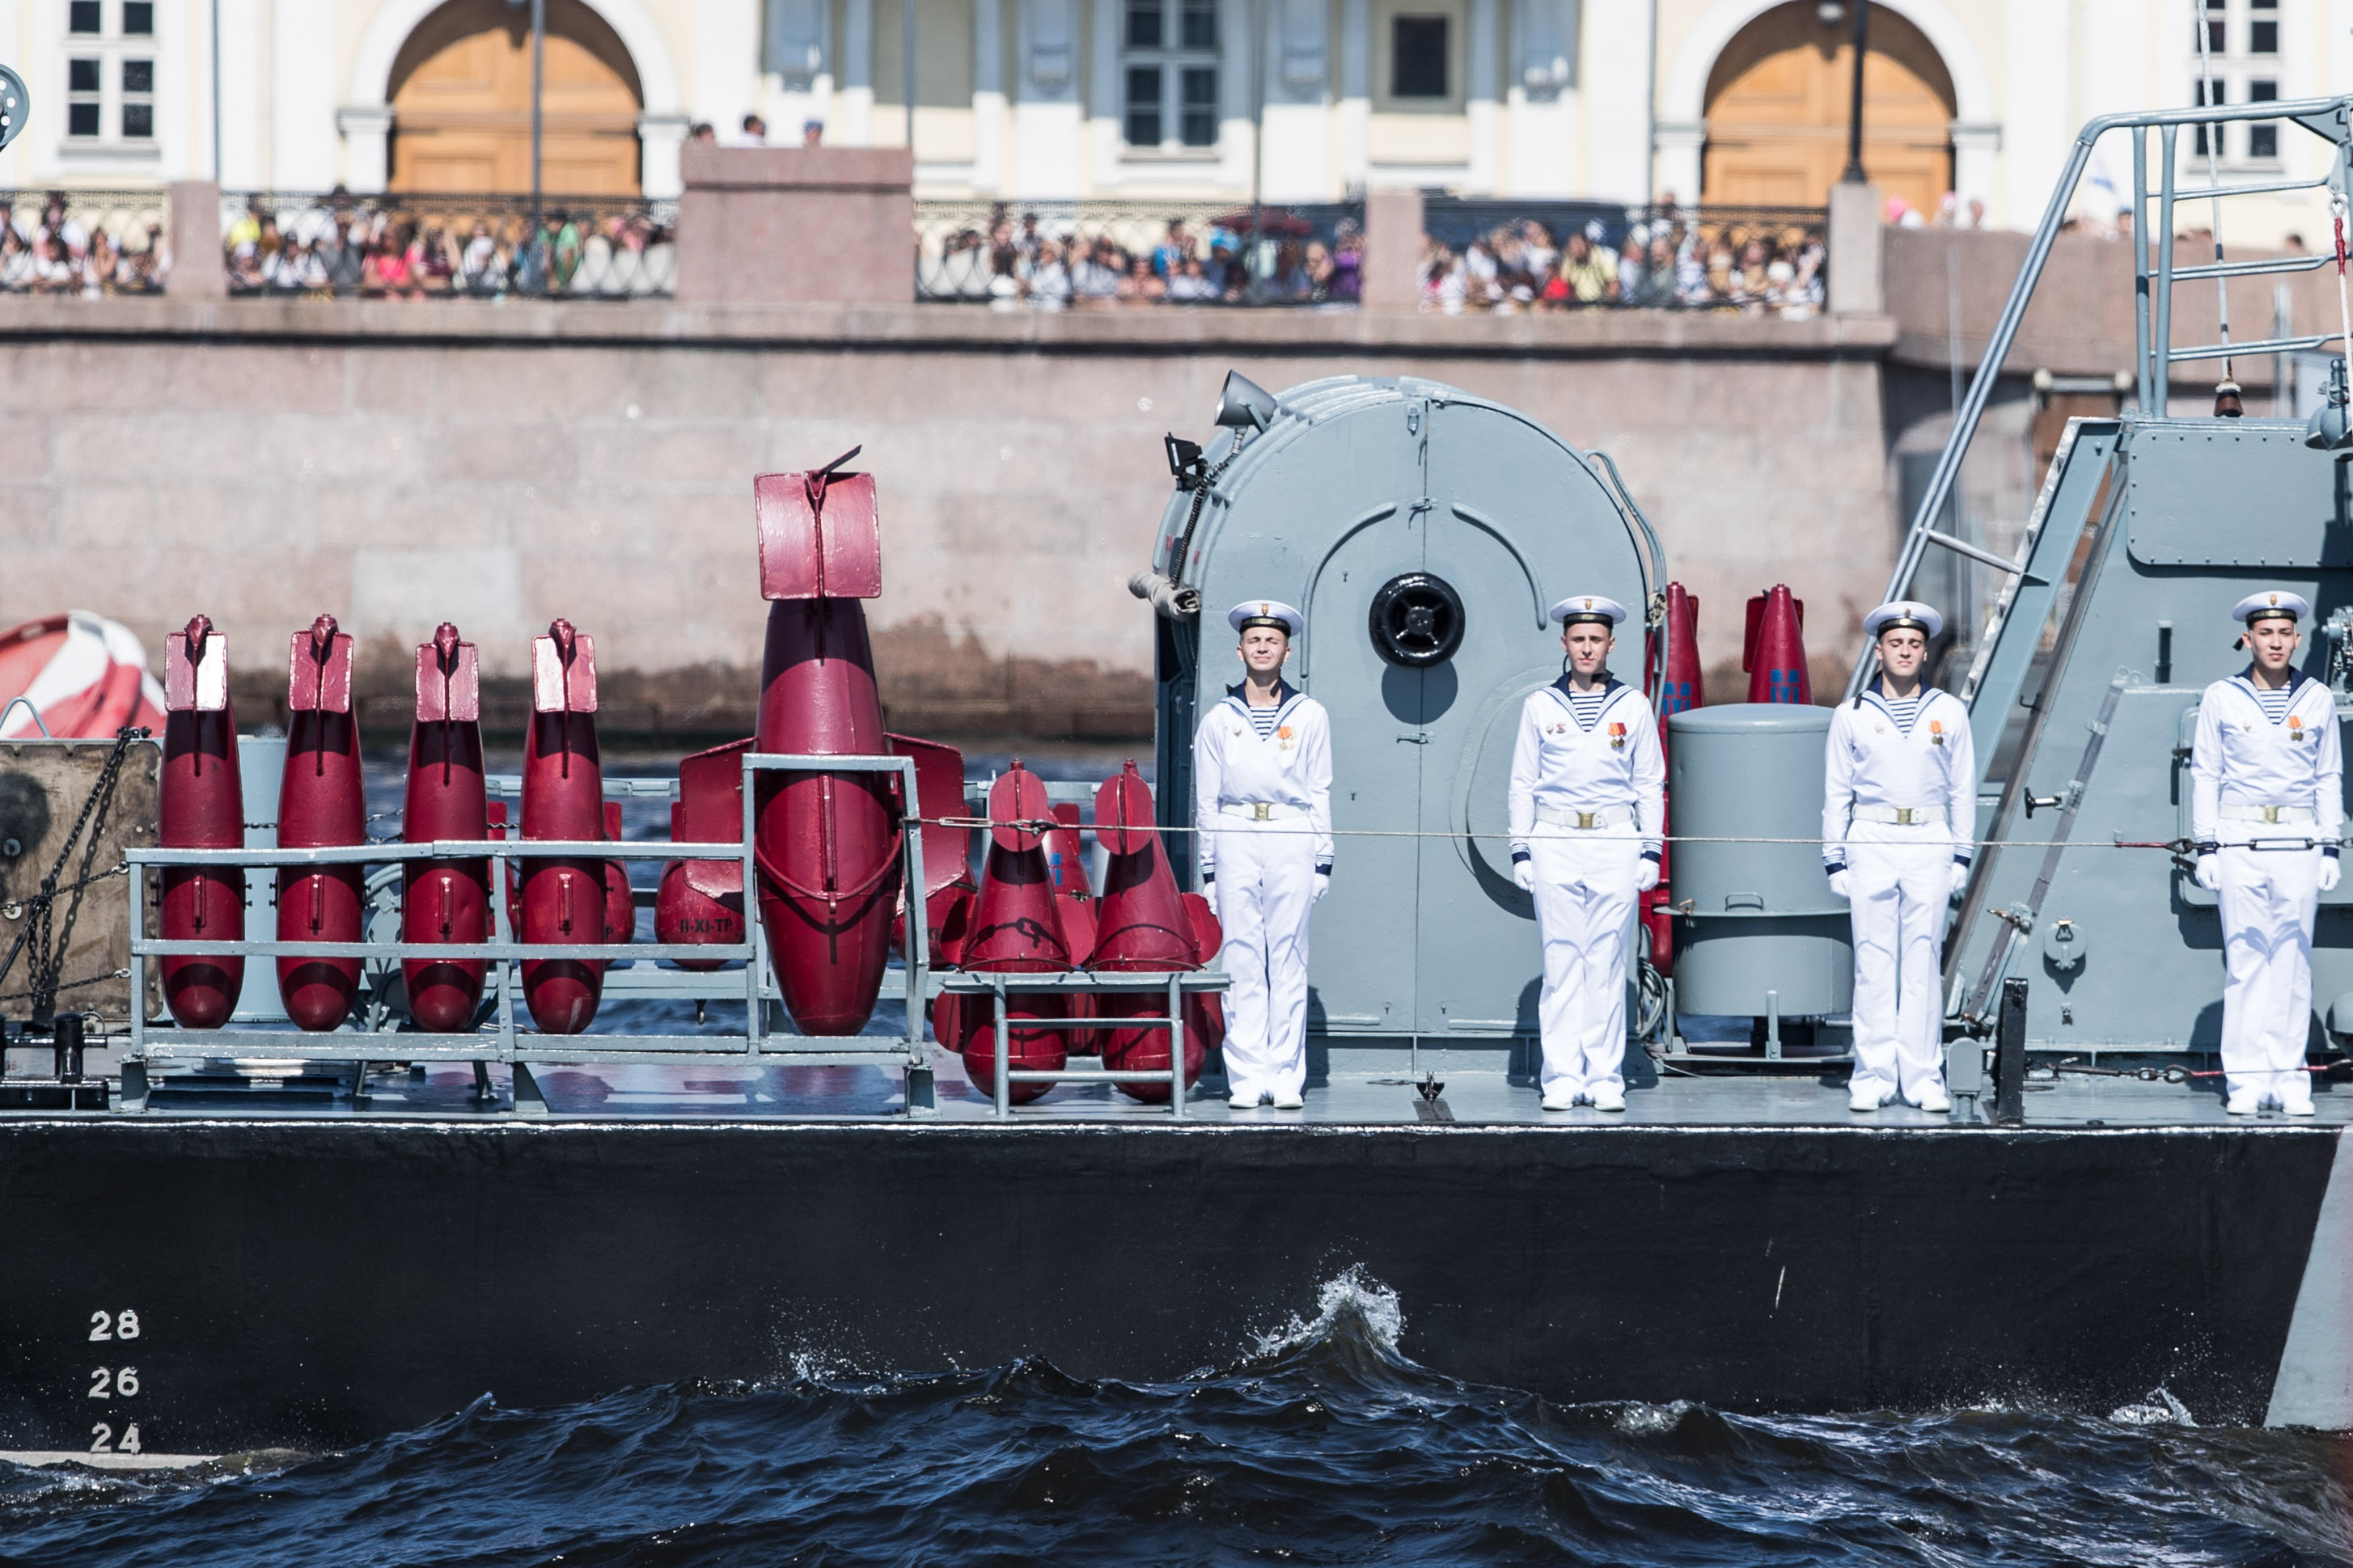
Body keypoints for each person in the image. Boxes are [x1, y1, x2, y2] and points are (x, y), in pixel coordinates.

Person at [1507, 595, 1664, 1112]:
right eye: (1579, 639)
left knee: (1605, 960)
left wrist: (1650, 851)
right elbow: (1522, 783)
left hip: (1614, 839)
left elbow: (1649, 782)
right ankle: (1561, 1075)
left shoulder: (1633, 706)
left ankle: (1604, 1076)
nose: (1587, 648)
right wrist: (1522, 850)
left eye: (1596, 639)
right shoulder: (1540, 706)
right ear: (1565, 643)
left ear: (1610, 644)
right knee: (1561, 961)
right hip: (1555, 839)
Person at [2190, 591, 2342, 1115]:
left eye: (2283, 633)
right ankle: (2247, 1078)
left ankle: (2289, 1075)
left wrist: (2329, 845)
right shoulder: (2220, 697)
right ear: (2247, 638)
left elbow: (2327, 776)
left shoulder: (2316, 697)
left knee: (2292, 960)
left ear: (2296, 638)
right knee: (2247, 959)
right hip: (2238, 838)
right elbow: (2205, 773)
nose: (2274, 642)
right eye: (2264, 633)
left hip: (2298, 840)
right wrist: (2205, 843)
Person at [1822, 600, 1975, 1114]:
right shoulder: (1852, 715)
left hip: (1929, 836)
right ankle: (1872, 1074)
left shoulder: (1948, 712)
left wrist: (1961, 854)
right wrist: (1834, 858)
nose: (1905, 652)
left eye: (1913, 644)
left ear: (1925, 651)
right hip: (1872, 835)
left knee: (1922, 962)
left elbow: (1963, 790)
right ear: (1880, 650)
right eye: (1895, 644)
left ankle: (1923, 1075)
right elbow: (1836, 793)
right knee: (1873, 962)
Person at [1194, 601, 1333, 1111]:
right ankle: (1247, 1073)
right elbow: (1206, 800)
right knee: (1243, 957)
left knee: (1289, 956)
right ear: (1240, 650)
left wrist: (1323, 859)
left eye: (1272, 641)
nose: (1262, 648)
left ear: (1286, 651)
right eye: (1254, 640)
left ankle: (1285, 1073)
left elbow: (1320, 790)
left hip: (1290, 831)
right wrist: (1208, 868)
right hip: (1235, 831)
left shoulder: (1310, 715)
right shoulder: (1218, 719)